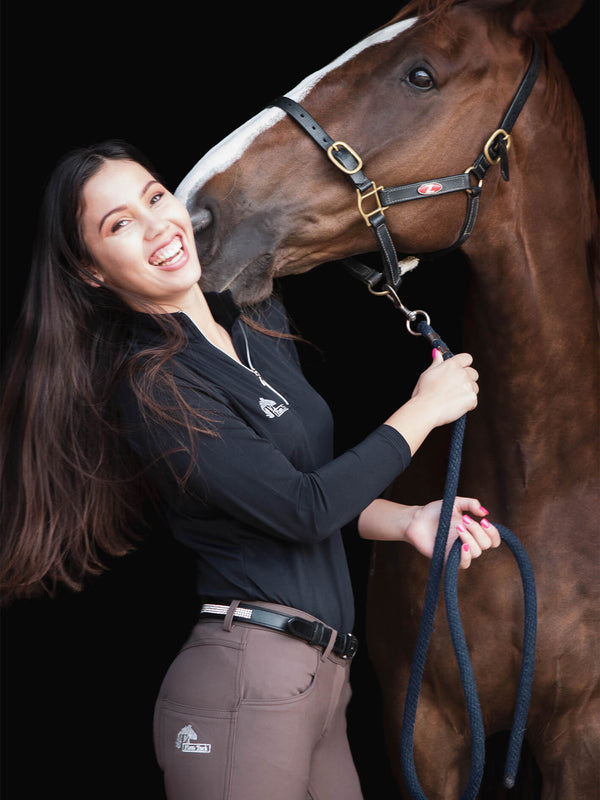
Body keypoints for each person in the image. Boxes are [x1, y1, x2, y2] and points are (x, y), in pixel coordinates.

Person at [0, 140, 500, 800]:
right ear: (92, 270)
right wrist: (422, 411)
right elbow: (304, 508)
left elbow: (311, 484)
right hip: (246, 681)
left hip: (322, 684)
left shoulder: (257, 322)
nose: (157, 225)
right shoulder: (154, 388)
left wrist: (408, 517)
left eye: (155, 198)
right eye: (119, 224)